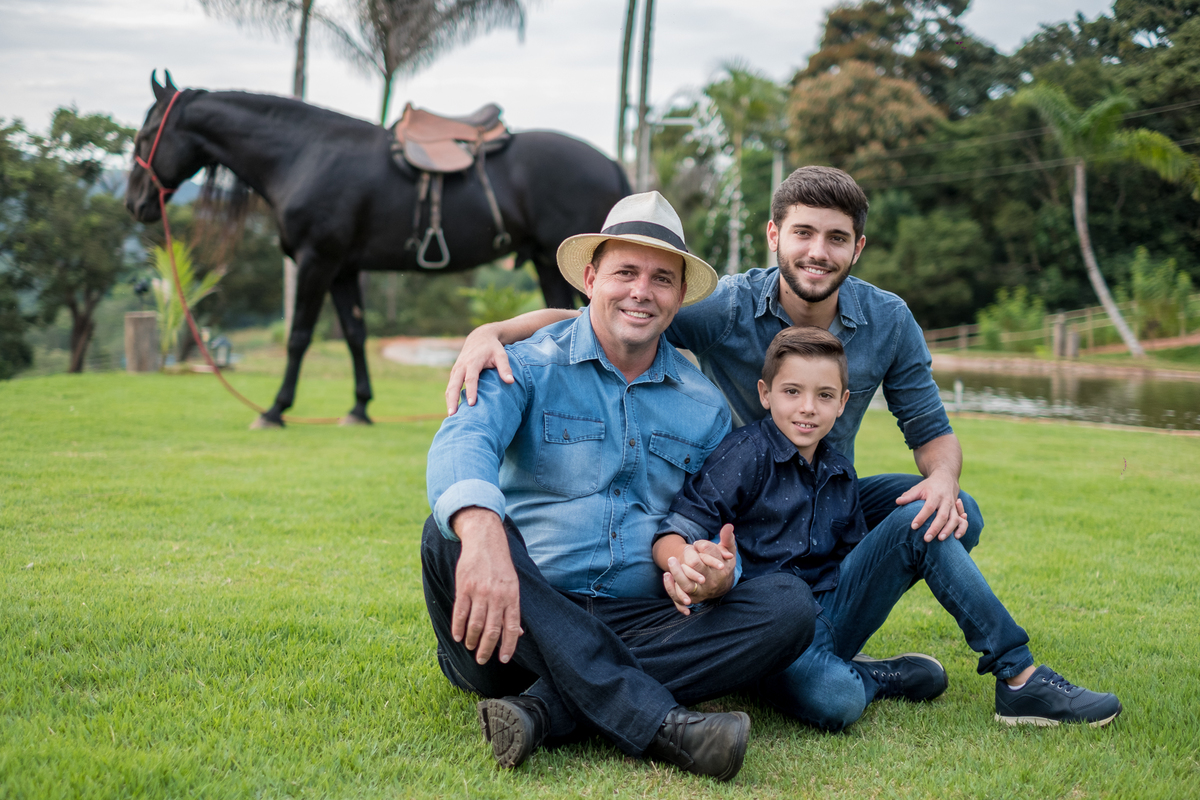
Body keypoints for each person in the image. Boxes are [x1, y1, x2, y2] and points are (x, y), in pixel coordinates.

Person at [445, 165, 984, 696]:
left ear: (857, 247)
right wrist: (493, 331)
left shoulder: (886, 321)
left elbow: (929, 428)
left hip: (823, 496)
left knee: (952, 512)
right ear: (774, 235)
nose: (818, 251)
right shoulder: (726, 307)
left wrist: (942, 479)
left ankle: (825, 644)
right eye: (803, 232)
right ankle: (808, 661)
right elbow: (606, 317)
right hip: (737, 506)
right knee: (821, 688)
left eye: (836, 238)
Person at [422, 191, 817, 781]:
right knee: (451, 530)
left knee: (788, 606)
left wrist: (715, 573)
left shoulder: (705, 407)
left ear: (679, 297)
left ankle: (545, 709)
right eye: (625, 272)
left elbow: (710, 524)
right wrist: (482, 534)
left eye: (661, 279)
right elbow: (464, 439)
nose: (641, 291)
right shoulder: (525, 363)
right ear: (591, 280)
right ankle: (660, 723)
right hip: (512, 624)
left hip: (639, 620)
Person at [652, 326, 1121, 731]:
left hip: (829, 614)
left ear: (843, 403)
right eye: (792, 392)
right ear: (765, 393)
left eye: (824, 396)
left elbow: (859, 565)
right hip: (772, 634)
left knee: (928, 516)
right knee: (839, 701)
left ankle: (1019, 677)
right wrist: (689, 563)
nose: (807, 408)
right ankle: (872, 676)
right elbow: (680, 525)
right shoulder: (744, 454)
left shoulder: (838, 470)